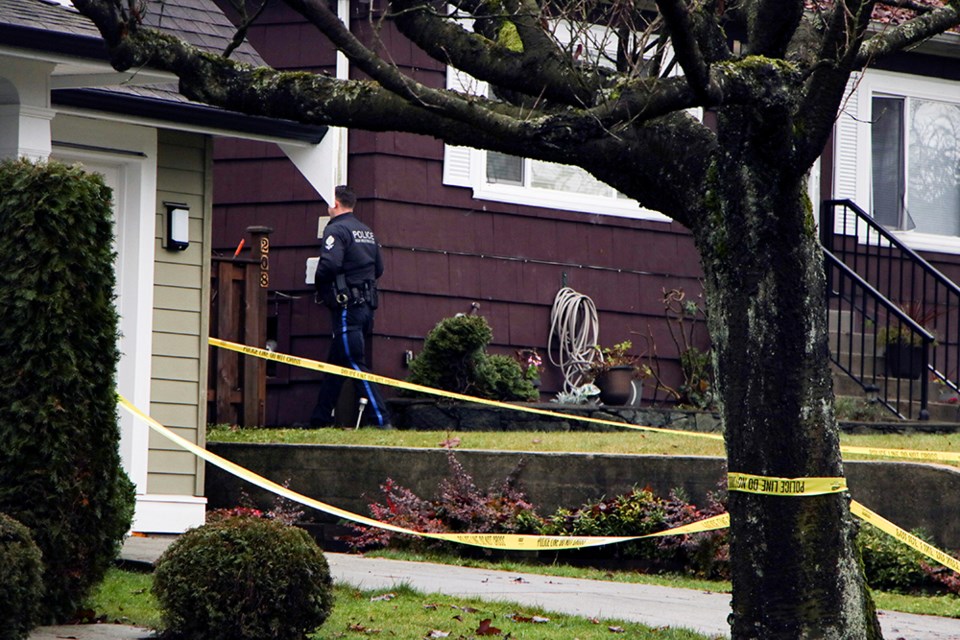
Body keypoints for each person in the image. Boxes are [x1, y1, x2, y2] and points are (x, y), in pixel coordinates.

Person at [309, 185, 392, 429]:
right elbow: (379, 269)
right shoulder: (366, 231)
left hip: (347, 309)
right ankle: (320, 419)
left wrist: (321, 286)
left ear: (335, 204)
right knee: (337, 364)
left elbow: (330, 265)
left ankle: (382, 421)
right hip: (365, 306)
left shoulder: (336, 229)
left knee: (355, 362)